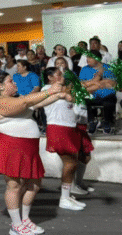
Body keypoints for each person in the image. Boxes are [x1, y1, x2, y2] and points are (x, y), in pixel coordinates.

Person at [0, 71, 66, 235]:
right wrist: (50, 90)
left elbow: (37, 102)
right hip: (11, 146)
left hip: (28, 147)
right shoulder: (1, 101)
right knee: (14, 185)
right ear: (0, 86)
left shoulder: (16, 99)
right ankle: (16, 225)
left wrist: (60, 94)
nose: (14, 83)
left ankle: (25, 219)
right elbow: (25, 103)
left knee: (34, 184)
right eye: (10, 81)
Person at [41, 67, 89, 211]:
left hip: (69, 128)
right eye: (59, 74)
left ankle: (67, 196)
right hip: (58, 128)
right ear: (50, 77)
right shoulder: (48, 88)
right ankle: (64, 198)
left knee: (72, 162)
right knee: (69, 162)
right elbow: (70, 93)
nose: (62, 76)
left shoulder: (65, 88)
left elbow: (74, 97)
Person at [79, 50, 117, 134]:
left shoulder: (108, 67)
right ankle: (92, 121)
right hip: (91, 95)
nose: (87, 59)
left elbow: (112, 83)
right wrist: (99, 81)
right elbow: (82, 85)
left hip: (107, 95)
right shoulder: (85, 69)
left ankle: (106, 122)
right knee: (85, 100)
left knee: (109, 101)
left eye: (90, 57)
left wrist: (90, 84)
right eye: (87, 57)